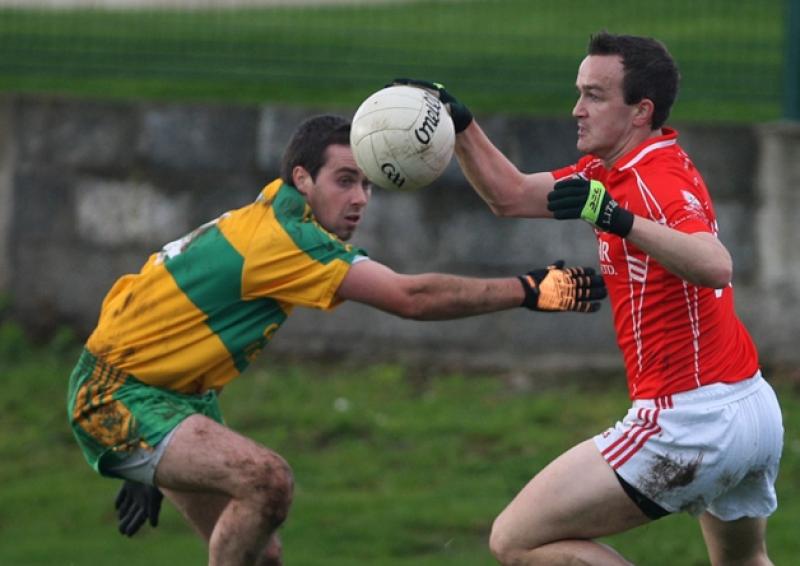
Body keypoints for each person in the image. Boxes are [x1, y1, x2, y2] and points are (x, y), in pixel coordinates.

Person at [67, 114, 606, 566]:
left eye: (367, 184)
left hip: (169, 398)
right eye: (345, 180)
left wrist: (154, 460)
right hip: (121, 397)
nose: (360, 198)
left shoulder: (275, 209)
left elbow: (147, 301)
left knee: (261, 553)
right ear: (303, 178)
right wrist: (529, 289)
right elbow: (410, 298)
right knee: (267, 481)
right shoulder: (284, 240)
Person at [392, 30, 784, 566]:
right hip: (750, 406)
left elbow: (715, 264)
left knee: (515, 540)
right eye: (580, 92)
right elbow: (510, 195)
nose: (577, 109)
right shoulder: (614, 169)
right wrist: (463, 126)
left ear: (641, 111)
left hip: (690, 420)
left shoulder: (653, 181)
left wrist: (617, 219)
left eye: (594, 96)